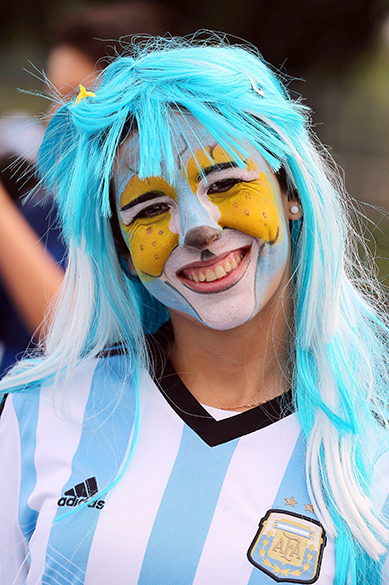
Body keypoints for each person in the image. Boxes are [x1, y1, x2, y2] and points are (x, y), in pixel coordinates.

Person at [0, 36, 389, 585]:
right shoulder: (39, 414)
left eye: (226, 182)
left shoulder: (372, 459)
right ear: (123, 250)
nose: (198, 227)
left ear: (291, 191)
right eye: (151, 207)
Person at [0, 2, 188, 378]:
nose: (55, 118)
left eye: (76, 98)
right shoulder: (43, 205)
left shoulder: (152, 216)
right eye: (53, 98)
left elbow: (75, 334)